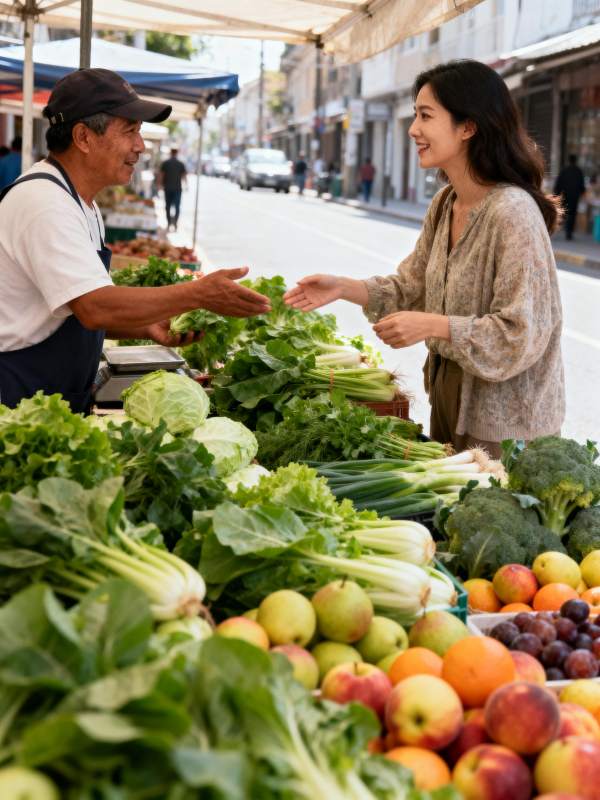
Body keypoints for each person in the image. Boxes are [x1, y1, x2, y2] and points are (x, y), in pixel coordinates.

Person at [284, 60, 564, 458]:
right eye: (415, 115)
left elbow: (521, 334)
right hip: (449, 398)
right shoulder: (445, 203)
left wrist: (433, 325)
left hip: (506, 425)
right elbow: (411, 286)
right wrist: (343, 288)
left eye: (425, 116)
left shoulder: (512, 212)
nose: (413, 129)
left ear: (468, 127)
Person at [0, 68, 271, 413]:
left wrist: (146, 326)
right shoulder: (44, 203)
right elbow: (94, 306)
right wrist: (198, 294)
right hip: (16, 402)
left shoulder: (81, 202)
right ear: (83, 137)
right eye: (130, 131)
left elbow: (70, 306)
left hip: (49, 400)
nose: (140, 146)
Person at [554, 154, 586, 240]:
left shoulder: (564, 170)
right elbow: (582, 185)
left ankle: (560, 227)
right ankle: (569, 232)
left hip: (565, 195)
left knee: (564, 211)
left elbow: (558, 183)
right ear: (575, 161)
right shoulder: (578, 171)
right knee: (572, 214)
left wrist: (557, 194)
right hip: (574, 196)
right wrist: (581, 193)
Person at [159, 147, 187, 231]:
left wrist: (160, 184)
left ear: (170, 153)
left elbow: (162, 175)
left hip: (168, 188)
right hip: (177, 188)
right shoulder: (180, 163)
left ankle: (169, 223)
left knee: (168, 206)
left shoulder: (166, 163)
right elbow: (184, 176)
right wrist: (186, 185)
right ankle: (175, 223)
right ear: (177, 153)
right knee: (177, 207)